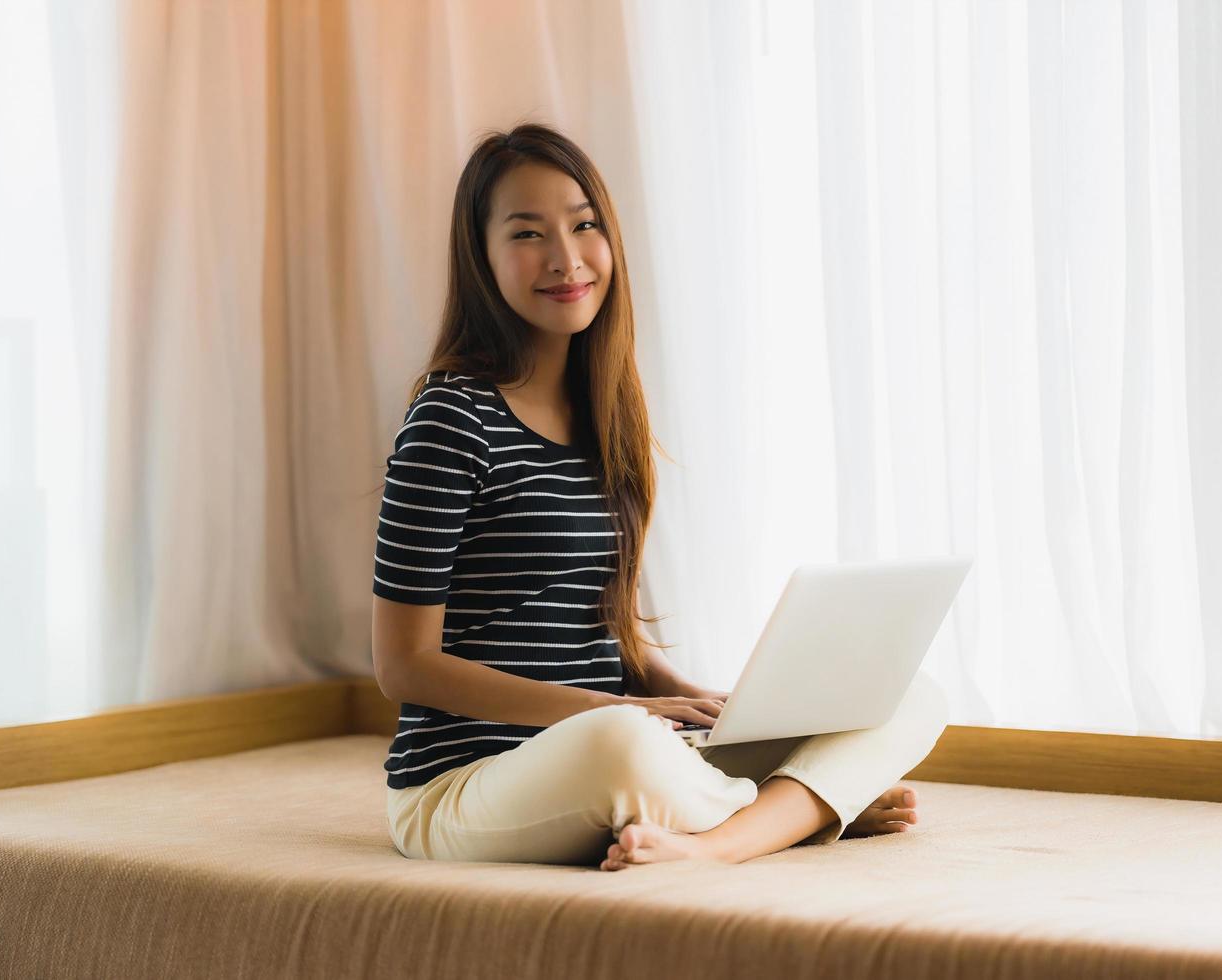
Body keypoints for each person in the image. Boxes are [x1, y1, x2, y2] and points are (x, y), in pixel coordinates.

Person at [371, 122, 948, 870]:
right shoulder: (451, 417)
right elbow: (404, 667)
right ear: (480, 258)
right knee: (623, 747)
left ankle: (725, 832)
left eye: (584, 225)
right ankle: (802, 808)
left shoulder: (607, 416)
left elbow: (607, 635)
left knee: (908, 692)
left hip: (613, 740)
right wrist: (616, 711)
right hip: (465, 784)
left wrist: (705, 704)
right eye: (527, 234)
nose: (566, 258)